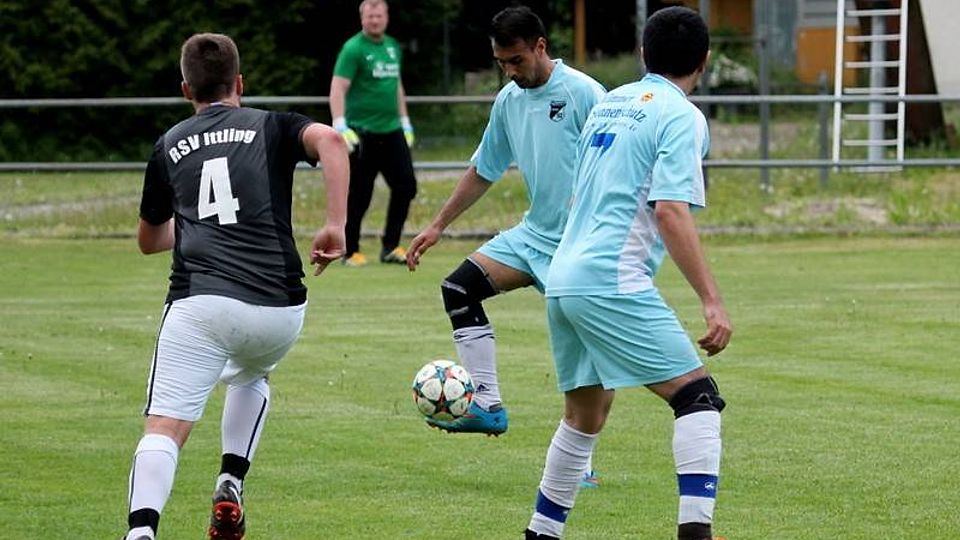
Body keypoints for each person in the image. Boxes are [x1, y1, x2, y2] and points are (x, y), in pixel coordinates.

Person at [122, 33, 349, 540]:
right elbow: (333, 142)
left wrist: (195, 224)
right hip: (279, 311)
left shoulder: (169, 144)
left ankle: (141, 531)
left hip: (202, 304)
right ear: (239, 83)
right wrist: (335, 224)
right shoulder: (273, 124)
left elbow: (149, 240)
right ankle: (231, 478)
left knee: (165, 428)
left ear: (186, 89)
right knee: (252, 372)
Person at [524, 7, 732, 540]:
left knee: (584, 416)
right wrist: (711, 300)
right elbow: (671, 210)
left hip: (564, 275)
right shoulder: (682, 116)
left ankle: (540, 534)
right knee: (697, 398)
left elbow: (579, 194)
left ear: (643, 54)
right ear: (705, 61)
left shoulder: (611, 103)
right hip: (608, 278)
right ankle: (696, 535)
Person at [406, 5, 605, 448]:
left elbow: (618, 161)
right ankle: (488, 404)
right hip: (534, 236)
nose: (510, 72)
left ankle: (581, 467)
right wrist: (437, 225)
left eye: (516, 60)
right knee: (459, 289)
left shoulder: (584, 93)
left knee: (581, 363)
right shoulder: (509, 100)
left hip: (579, 246)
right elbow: (484, 168)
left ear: (540, 46)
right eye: (501, 63)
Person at [330, 0, 418, 267]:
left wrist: (405, 121)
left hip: (392, 131)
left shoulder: (392, 47)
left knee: (406, 186)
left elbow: (396, 86)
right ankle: (349, 250)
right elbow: (338, 88)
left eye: (379, 16)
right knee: (360, 194)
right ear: (362, 18)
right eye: (370, 16)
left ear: (386, 17)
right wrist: (340, 124)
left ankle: (390, 246)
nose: (375, 21)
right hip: (363, 133)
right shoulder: (353, 48)